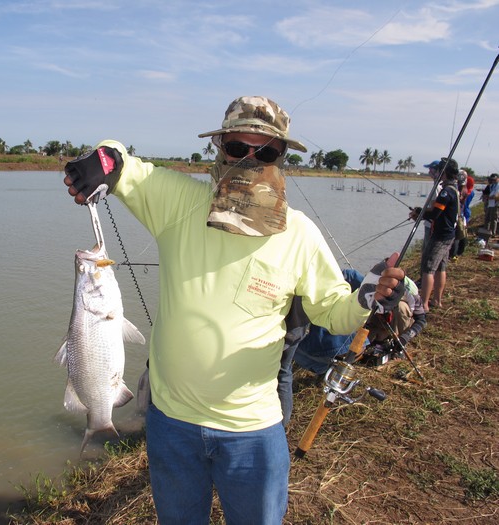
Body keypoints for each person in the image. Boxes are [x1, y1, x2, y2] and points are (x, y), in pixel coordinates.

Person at [63, 95, 405, 525]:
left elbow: (332, 310)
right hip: (172, 423)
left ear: (281, 156)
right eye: (237, 148)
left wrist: (366, 299)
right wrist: (104, 161)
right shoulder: (179, 201)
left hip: (254, 431)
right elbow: (124, 164)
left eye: (265, 151)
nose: (249, 159)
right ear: (219, 146)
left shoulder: (299, 232)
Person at [278, 269, 365, 425]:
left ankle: (280, 423)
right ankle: (280, 425)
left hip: (289, 328)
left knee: (282, 372)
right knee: (283, 372)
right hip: (300, 330)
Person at [409, 157, 460, 312]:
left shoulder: (446, 192)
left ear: (443, 173)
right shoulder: (452, 189)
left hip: (440, 236)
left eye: (438, 170)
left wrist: (420, 213)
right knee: (440, 268)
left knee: (428, 268)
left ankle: (424, 304)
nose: (436, 172)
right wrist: (420, 212)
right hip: (448, 235)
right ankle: (436, 300)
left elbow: (435, 213)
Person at [364, 276, 427, 361]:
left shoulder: (410, 290)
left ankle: (397, 345)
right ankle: (379, 341)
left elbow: (421, 320)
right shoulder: (373, 282)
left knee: (401, 307)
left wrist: (406, 336)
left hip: (398, 321)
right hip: (378, 320)